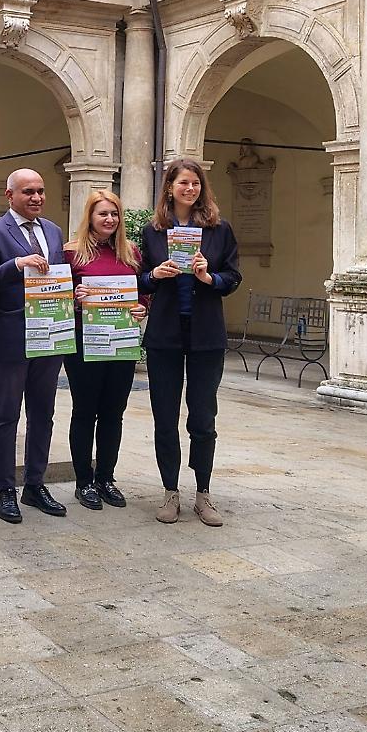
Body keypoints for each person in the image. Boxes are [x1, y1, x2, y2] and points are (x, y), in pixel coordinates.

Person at [139, 158, 242, 528]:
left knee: (202, 417)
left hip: (206, 337)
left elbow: (233, 277)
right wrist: (155, 273)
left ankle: (203, 493)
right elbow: (139, 281)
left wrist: (208, 276)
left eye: (195, 183)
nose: (190, 189)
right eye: (183, 183)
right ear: (169, 187)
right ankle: (170, 491)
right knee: (165, 416)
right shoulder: (153, 231)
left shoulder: (219, 229)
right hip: (165, 334)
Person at [0, 168, 67, 524]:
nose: (37, 198)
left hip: (49, 335)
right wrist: (16, 264)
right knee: (6, 416)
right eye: (28, 192)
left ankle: (35, 484)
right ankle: (5, 489)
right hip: (11, 337)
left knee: (43, 414)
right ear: (9, 195)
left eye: (41, 191)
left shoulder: (54, 231)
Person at [64, 189, 147, 511]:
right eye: (103, 214)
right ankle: (83, 481)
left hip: (122, 342)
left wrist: (142, 308)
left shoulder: (131, 253)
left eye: (114, 214)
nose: (109, 219)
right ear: (90, 217)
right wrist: (74, 297)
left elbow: (142, 293)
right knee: (85, 412)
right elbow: (53, 297)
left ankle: (106, 478)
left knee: (114, 412)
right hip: (85, 343)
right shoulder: (72, 254)